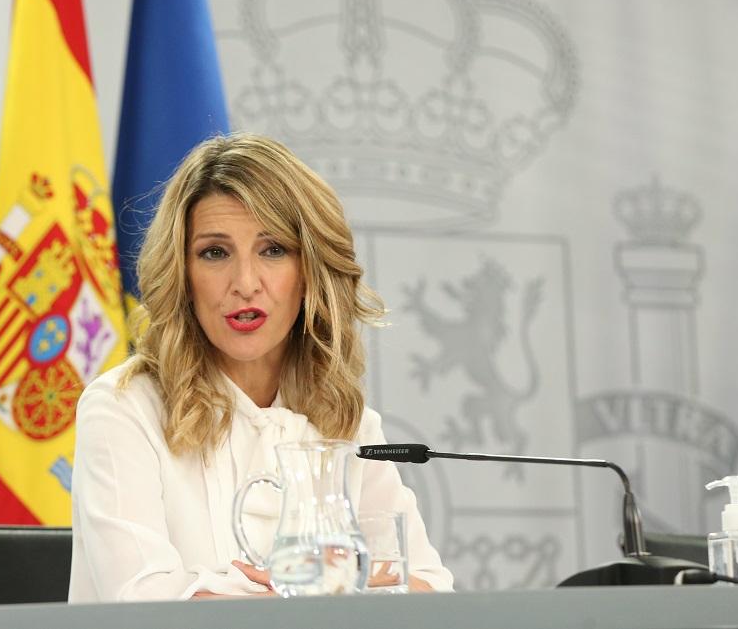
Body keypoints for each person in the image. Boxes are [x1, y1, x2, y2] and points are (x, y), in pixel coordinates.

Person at [69, 133, 454, 601]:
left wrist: (315, 592)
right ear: (183, 275)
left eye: (272, 250)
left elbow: (430, 592)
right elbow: (146, 605)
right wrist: (328, 592)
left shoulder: (346, 421)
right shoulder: (124, 408)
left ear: (310, 270)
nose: (245, 283)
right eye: (215, 253)